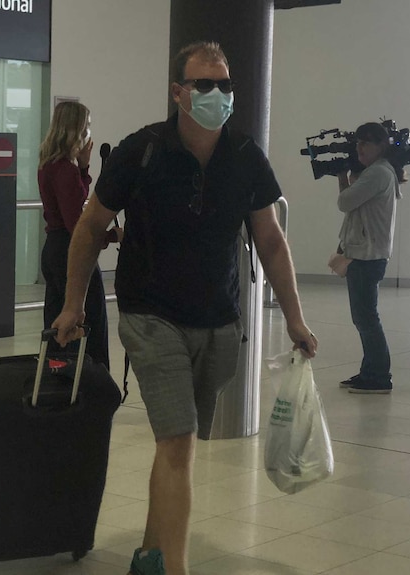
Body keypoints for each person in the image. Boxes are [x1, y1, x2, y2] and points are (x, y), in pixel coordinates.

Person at [51, 42, 317, 575]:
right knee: (177, 440)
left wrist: (294, 316)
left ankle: (151, 554)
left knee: (180, 445)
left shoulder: (244, 156)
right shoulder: (140, 150)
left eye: (224, 85)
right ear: (178, 92)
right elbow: (89, 226)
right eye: (203, 84)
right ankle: (176, 566)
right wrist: (72, 303)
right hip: (151, 316)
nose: (216, 94)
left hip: (219, 323)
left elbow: (270, 239)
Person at [37, 101, 121, 369]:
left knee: (56, 316)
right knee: (89, 318)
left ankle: (57, 371)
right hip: (69, 251)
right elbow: (78, 224)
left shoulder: (49, 165)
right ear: (77, 128)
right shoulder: (64, 169)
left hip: (53, 248)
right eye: (87, 125)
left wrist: (84, 168)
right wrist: (111, 237)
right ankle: (91, 377)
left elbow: (73, 202)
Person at [336, 122, 402, 394]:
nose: (360, 148)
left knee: (366, 318)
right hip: (366, 253)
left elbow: (344, 202)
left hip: (368, 256)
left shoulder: (377, 174)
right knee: (363, 317)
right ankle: (369, 371)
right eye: (358, 143)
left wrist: (342, 176)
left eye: (366, 143)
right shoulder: (377, 172)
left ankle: (379, 376)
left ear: (381, 146)